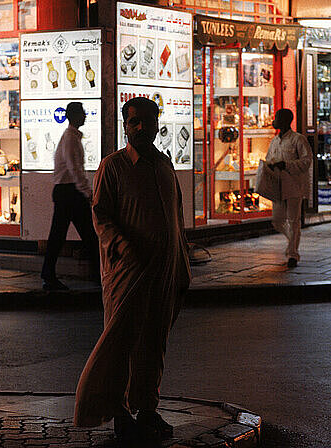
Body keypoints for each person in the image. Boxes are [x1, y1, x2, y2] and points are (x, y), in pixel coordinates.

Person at [74, 97, 191, 442]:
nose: (141, 128)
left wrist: (182, 262)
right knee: (121, 344)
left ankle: (147, 409)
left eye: (147, 121)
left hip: (165, 272)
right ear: (125, 126)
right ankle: (117, 411)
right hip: (128, 273)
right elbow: (101, 217)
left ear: (157, 125)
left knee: (154, 345)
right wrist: (123, 247)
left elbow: (177, 220)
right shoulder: (112, 167)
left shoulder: (164, 165)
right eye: (134, 122)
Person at [41, 102, 100, 291]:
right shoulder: (71, 138)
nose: (85, 116)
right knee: (88, 234)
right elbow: (75, 168)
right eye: (82, 113)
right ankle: (99, 274)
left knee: (63, 235)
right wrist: (88, 192)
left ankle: (49, 274)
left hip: (66, 191)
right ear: (74, 116)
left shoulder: (71, 137)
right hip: (70, 192)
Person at [266, 108, 312, 268]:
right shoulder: (274, 141)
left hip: (294, 186)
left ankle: (293, 254)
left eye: (277, 117)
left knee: (293, 221)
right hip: (278, 187)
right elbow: (269, 159)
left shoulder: (298, 140)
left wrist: (287, 165)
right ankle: (292, 241)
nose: (274, 120)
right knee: (277, 221)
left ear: (285, 121)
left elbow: (307, 161)